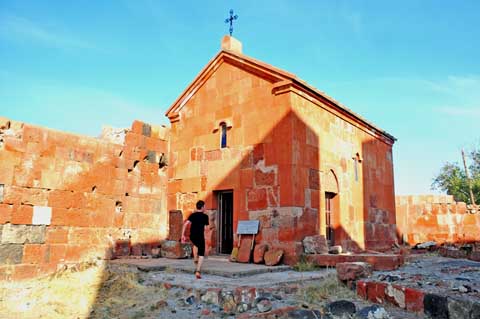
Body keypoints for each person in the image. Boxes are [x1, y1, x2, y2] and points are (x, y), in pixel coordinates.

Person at [181, 200, 209, 279]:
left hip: (192, 235)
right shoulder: (205, 216)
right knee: (201, 254)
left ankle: (195, 259)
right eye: (205, 206)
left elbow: (185, 224)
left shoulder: (192, 215)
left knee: (195, 244)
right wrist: (206, 236)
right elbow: (206, 228)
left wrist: (182, 234)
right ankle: (198, 271)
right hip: (200, 236)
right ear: (202, 207)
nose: (205, 208)